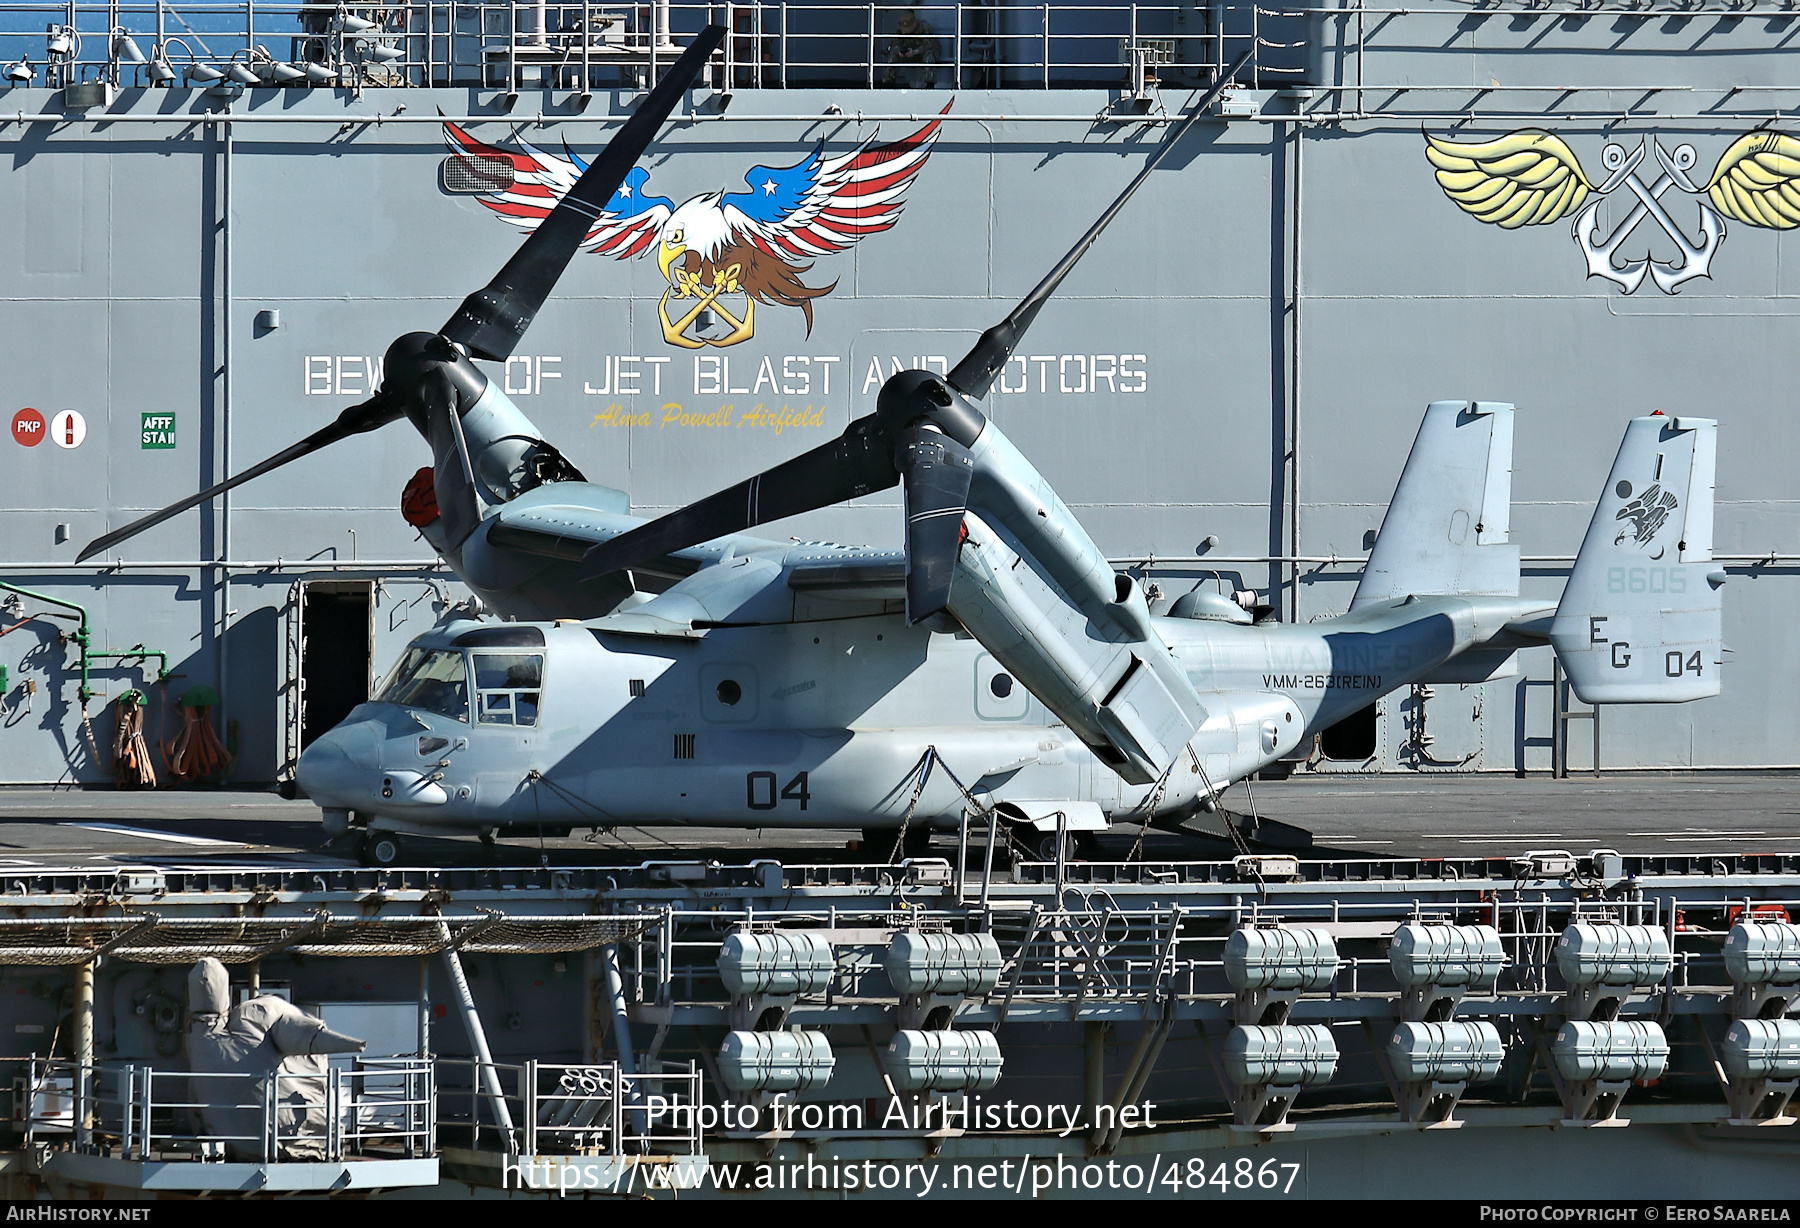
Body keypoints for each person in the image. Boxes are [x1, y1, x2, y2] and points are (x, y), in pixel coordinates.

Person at [185, 958, 366, 1160]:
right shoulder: (255, 1014)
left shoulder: (196, 1037)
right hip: (293, 1142)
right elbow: (302, 1035)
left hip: (236, 1144)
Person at [883, 3, 941, 89]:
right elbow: (895, 42)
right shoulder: (899, 30)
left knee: (929, 55)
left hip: (922, 52)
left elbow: (928, 43)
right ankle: (888, 82)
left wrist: (916, 51)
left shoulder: (924, 27)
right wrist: (900, 51)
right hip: (908, 53)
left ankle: (930, 83)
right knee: (893, 54)